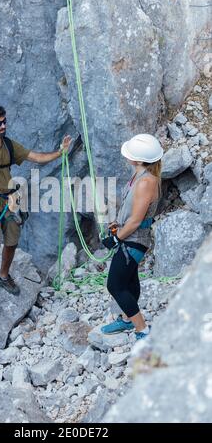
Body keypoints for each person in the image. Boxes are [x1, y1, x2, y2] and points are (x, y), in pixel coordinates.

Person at [0, 103, 72, 314]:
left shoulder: (9, 146)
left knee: (12, 243)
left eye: (4, 121)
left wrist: (61, 152)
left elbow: (36, 157)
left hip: (10, 202)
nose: (3, 125)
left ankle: (3, 276)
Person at [101, 134, 163, 340]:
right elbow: (133, 212)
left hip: (134, 240)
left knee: (115, 285)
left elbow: (136, 221)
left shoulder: (146, 182)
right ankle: (128, 319)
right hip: (129, 236)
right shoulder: (140, 175)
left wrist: (116, 238)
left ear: (137, 159)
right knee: (128, 281)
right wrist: (118, 224)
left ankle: (142, 330)